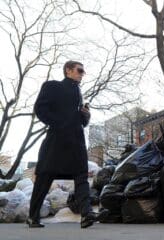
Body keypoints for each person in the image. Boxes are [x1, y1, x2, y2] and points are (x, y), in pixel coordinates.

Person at [27, 60, 108, 228]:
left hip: (76, 141)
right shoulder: (52, 86)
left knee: (81, 176)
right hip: (56, 140)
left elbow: (80, 121)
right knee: (45, 177)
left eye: (83, 71)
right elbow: (40, 109)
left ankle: (86, 215)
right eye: (79, 70)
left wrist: (85, 117)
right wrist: (59, 124)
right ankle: (33, 216)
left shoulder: (79, 93)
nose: (82, 73)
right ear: (68, 71)